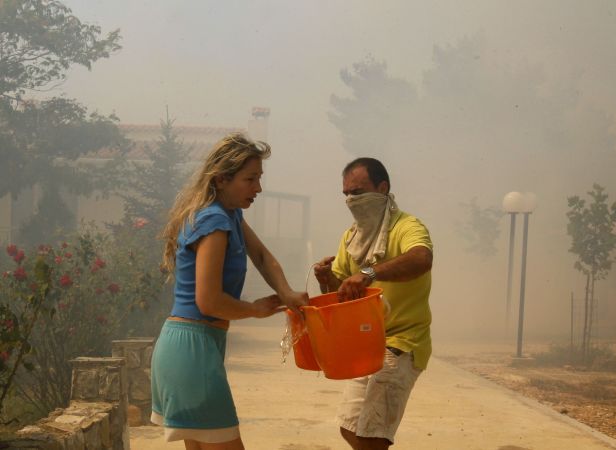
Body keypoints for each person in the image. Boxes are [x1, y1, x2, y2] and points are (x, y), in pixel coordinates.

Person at [151, 133, 308, 450]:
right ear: (222, 179)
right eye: (250, 179)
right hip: (192, 350)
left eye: (259, 179)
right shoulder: (214, 221)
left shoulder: (230, 215)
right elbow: (208, 301)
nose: (258, 188)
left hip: (188, 347)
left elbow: (262, 256)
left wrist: (287, 293)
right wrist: (254, 309)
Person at [314, 157, 433, 450]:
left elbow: (421, 259)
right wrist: (326, 277)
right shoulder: (352, 237)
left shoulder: (408, 226)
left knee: (372, 436)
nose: (352, 200)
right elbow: (340, 293)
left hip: (401, 343)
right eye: (346, 194)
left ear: (383, 188)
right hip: (366, 344)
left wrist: (369, 273)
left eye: (358, 191)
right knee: (350, 428)